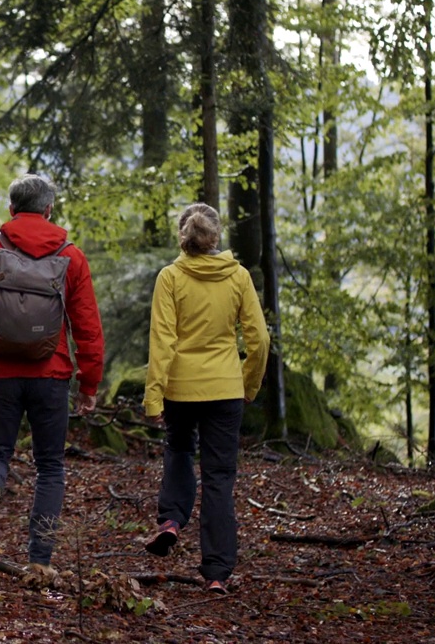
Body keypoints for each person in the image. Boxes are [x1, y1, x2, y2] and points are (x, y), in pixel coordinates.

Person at [0, 173, 105, 577]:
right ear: (49, 210)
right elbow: (88, 327)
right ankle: (39, 559)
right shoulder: (72, 257)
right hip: (51, 374)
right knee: (50, 466)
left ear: (11, 210)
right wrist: (89, 383)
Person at [141, 202, 269, 595]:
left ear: (183, 235)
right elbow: (259, 339)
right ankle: (216, 572)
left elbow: (163, 340)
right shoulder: (238, 276)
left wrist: (153, 396)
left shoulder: (171, 277)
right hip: (225, 388)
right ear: (216, 237)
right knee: (219, 477)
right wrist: (248, 384)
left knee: (179, 449)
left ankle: (172, 519)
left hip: (181, 387)